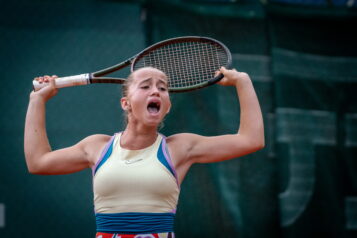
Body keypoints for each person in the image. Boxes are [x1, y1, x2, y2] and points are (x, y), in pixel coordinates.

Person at [24, 66, 264, 238]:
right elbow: (38, 162)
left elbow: (250, 139)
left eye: (163, 88)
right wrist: (37, 101)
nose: (156, 91)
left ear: (167, 107)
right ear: (126, 103)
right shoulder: (97, 147)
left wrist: (243, 82)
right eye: (146, 86)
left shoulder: (180, 148)